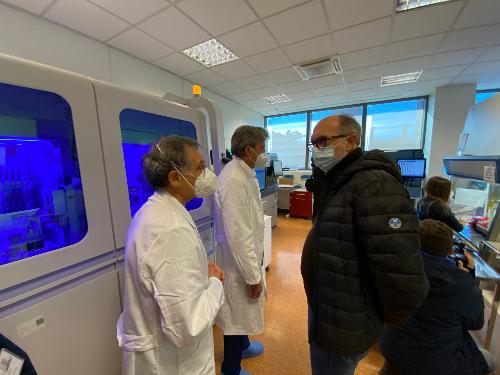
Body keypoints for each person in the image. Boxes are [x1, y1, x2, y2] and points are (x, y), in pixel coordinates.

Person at [301, 115, 429, 375]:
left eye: (323, 141)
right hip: (330, 307)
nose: (316, 149)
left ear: (350, 141)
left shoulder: (375, 186)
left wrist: (376, 322)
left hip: (346, 320)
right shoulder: (339, 181)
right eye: (313, 143)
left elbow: (404, 274)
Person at [116, 136, 225, 375]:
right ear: (176, 178)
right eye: (200, 167)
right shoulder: (170, 229)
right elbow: (188, 327)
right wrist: (216, 284)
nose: (207, 174)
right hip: (172, 364)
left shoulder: (156, 211)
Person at [379, 219, 494, 375]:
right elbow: (476, 322)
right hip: (436, 365)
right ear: (449, 250)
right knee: (488, 359)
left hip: (393, 351)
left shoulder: (396, 268)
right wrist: (469, 279)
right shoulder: (462, 285)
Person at [215, 125, 269, 375]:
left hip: (245, 259)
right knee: (236, 316)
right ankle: (231, 368)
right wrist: (252, 276)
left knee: (243, 310)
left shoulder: (243, 172)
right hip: (238, 265)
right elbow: (239, 235)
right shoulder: (234, 179)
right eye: (262, 148)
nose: (264, 153)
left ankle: (244, 346)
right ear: (249, 150)